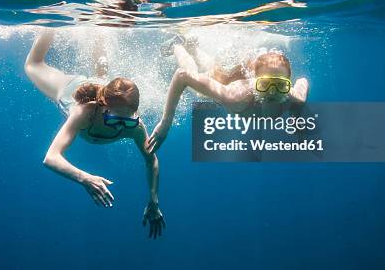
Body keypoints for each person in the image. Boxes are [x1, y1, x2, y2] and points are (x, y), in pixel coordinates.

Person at [24, 29, 165, 239]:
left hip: (103, 92)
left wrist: (153, 200)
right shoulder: (84, 113)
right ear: (104, 106)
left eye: (127, 119)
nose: (120, 126)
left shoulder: (134, 126)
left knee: (102, 78)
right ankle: (51, 23)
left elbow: (151, 160)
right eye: (114, 119)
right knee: (33, 65)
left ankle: (99, 38)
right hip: (69, 89)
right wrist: (84, 178)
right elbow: (50, 157)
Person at [147, 34, 309, 153]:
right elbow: (182, 76)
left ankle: (194, 48)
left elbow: (303, 81)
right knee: (198, 86)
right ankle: (178, 45)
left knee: (214, 67)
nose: (272, 92)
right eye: (264, 84)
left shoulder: (295, 99)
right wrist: (165, 123)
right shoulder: (235, 96)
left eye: (281, 85)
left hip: (231, 73)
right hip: (227, 81)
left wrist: (297, 119)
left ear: (288, 84)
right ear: (254, 80)